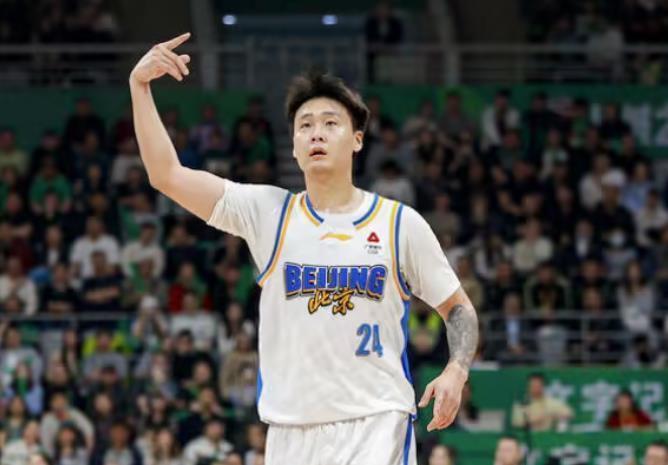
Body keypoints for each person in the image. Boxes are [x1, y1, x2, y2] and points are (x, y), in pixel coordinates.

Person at [129, 33, 479, 465]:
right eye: (305, 125)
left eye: (331, 123)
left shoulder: (398, 223)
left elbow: (459, 309)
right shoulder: (268, 213)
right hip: (290, 431)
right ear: (294, 147)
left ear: (357, 139)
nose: (317, 133)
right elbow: (166, 175)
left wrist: (456, 369)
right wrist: (139, 87)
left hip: (377, 422)